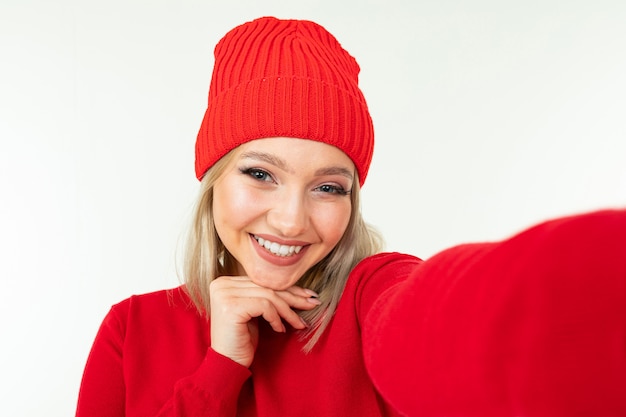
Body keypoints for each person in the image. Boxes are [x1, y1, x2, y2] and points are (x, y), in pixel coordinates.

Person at [75, 16, 626, 417]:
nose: (291, 222)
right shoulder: (131, 332)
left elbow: (458, 320)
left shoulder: (370, 300)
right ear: (212, 178)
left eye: (328, 187)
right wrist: (220, 368)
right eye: (261, 174)